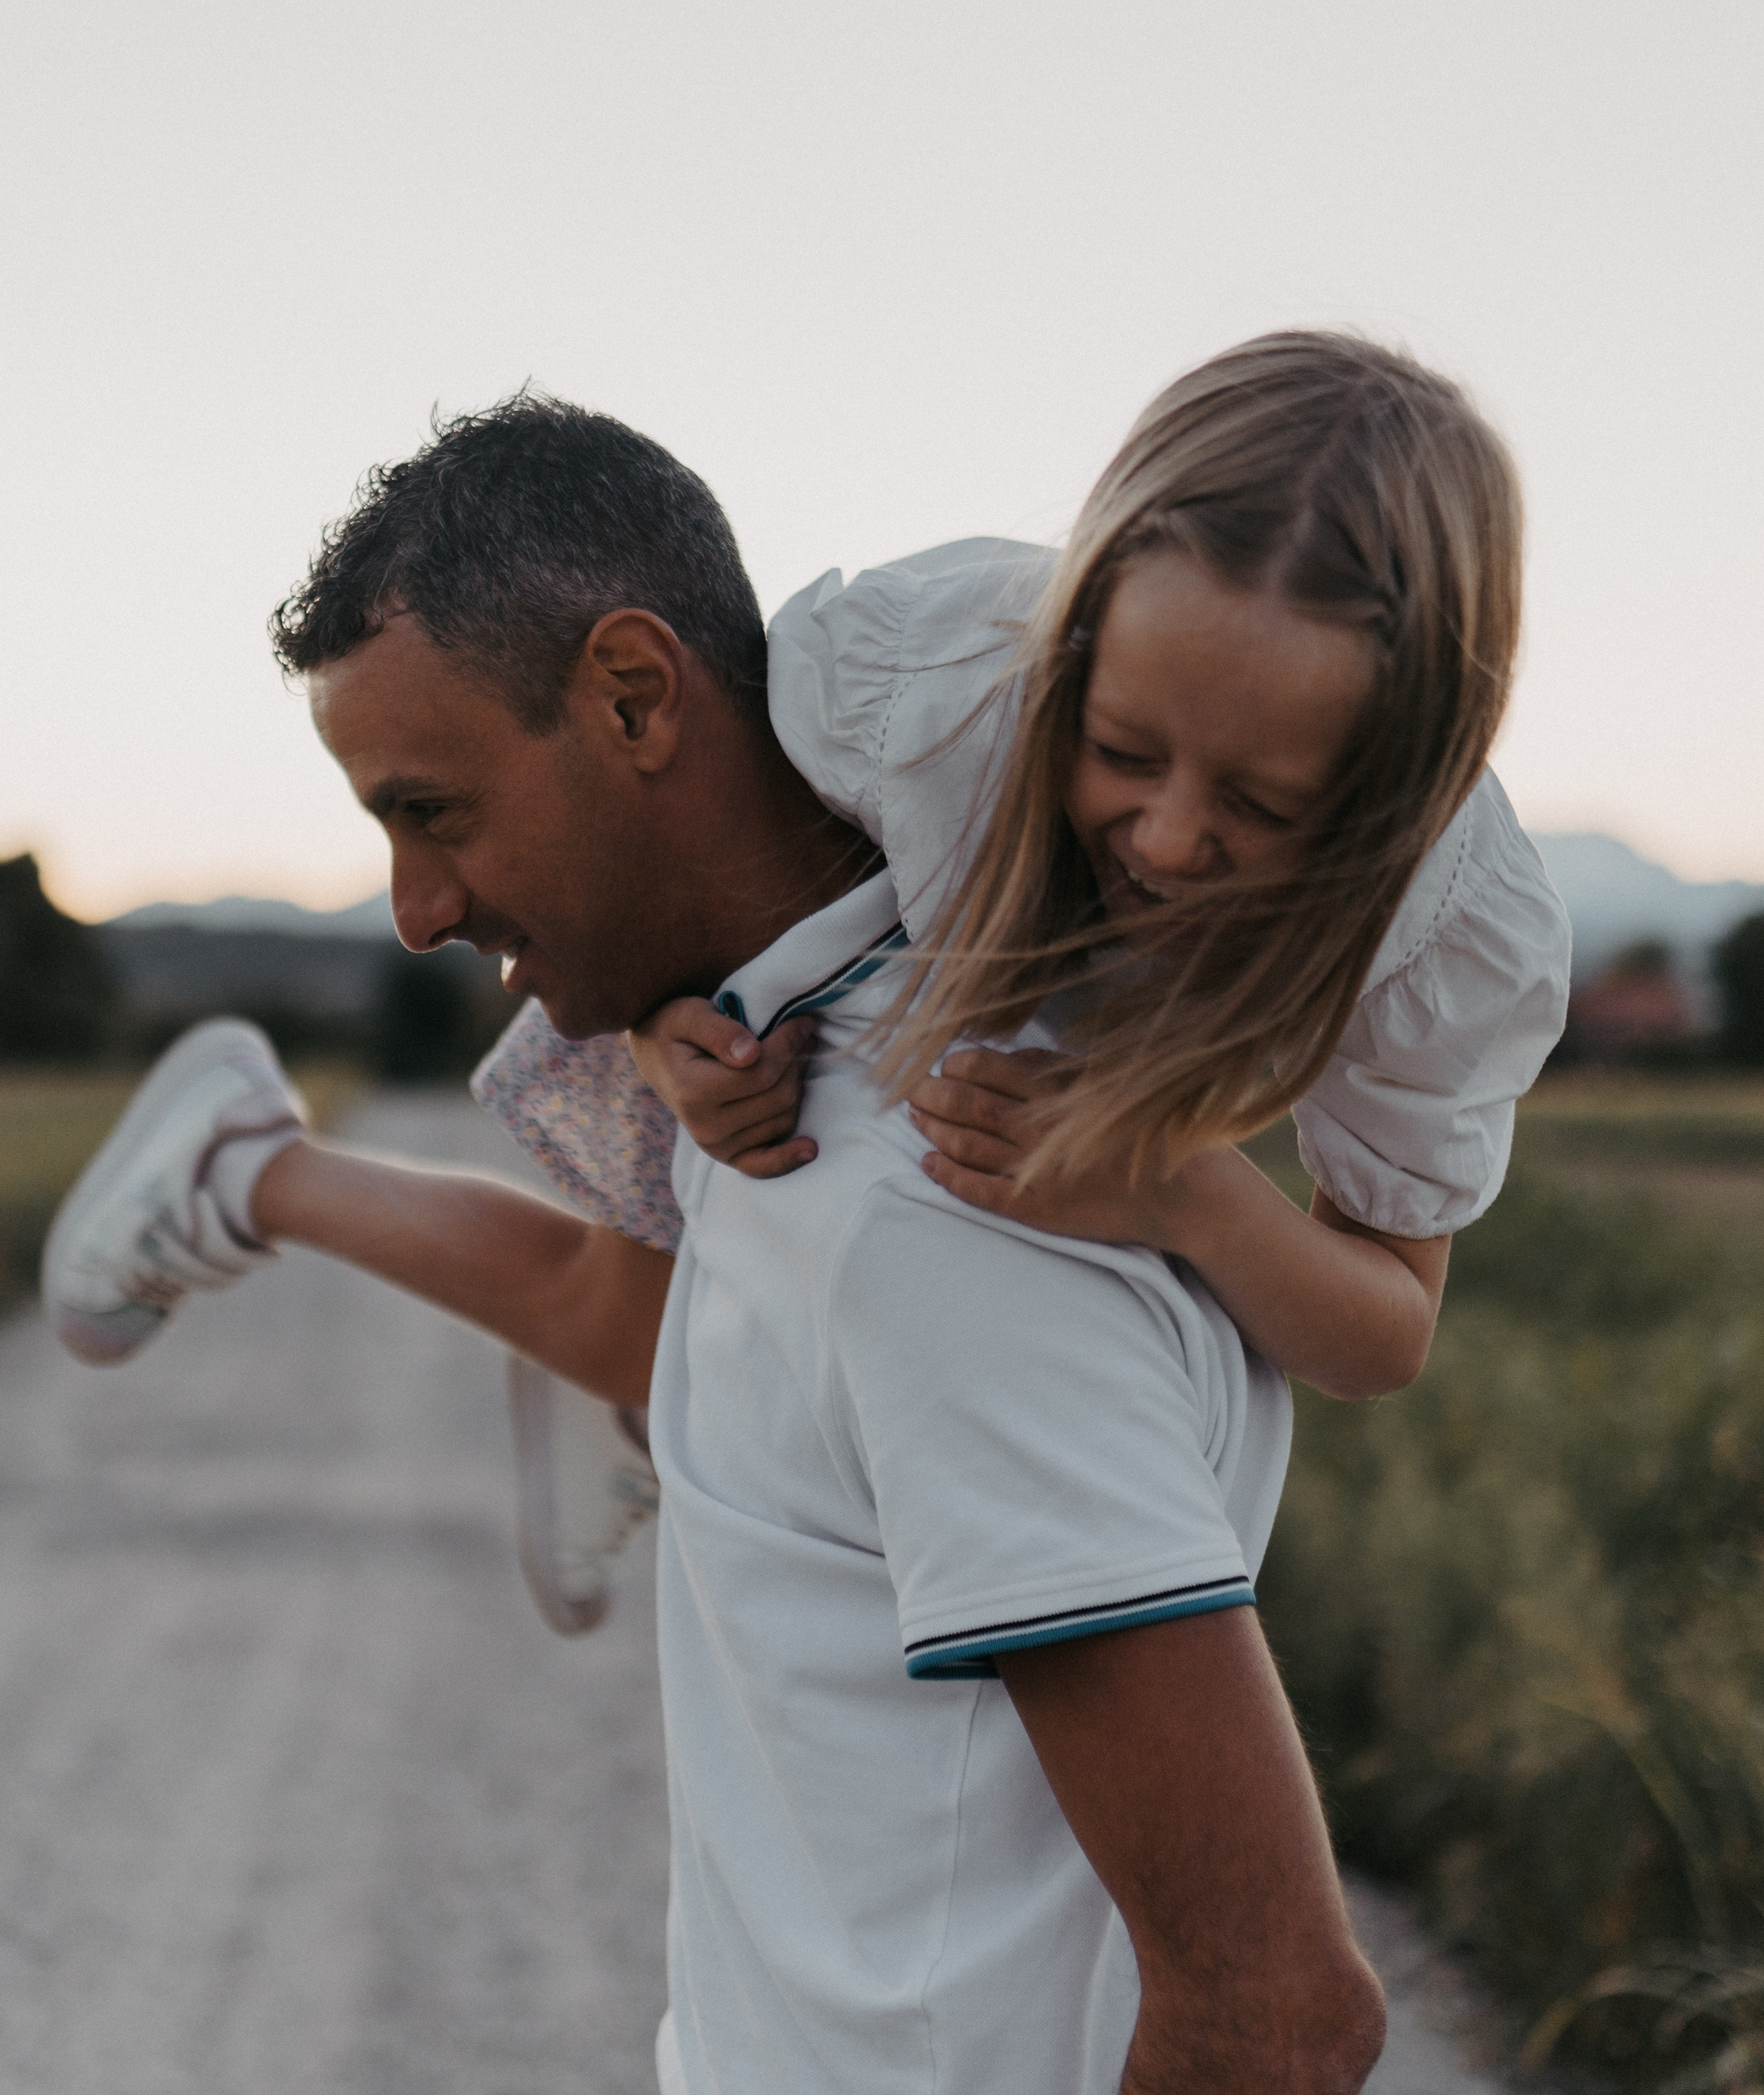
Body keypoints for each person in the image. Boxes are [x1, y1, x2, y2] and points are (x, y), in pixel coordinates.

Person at [42, 334, 1563, 2090]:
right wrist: (707, 1061)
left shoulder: (975, 1208)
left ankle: (326, 1214)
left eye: (432, 811)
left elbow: (1277, 2010)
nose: (1163, 833)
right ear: (1072, 665)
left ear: (630, 694)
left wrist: (1195, 1201)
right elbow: (812, 906)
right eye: (1125, 750)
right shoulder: (901, 712)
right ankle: (329, 1213)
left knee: (706, 1275)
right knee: (686, 1267)